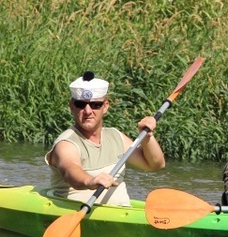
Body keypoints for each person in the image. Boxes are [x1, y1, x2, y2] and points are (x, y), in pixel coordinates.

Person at [45, 71, 166, 207]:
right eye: (80, 104)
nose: (88, 111)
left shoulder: (116, 136)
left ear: (105, 107)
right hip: (79, 212)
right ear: (72, 106)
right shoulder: (66, 144)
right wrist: (91, 182)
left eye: (95, 105)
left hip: (122, 214)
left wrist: (148, 137)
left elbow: (155, 165)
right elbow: (70, 172)